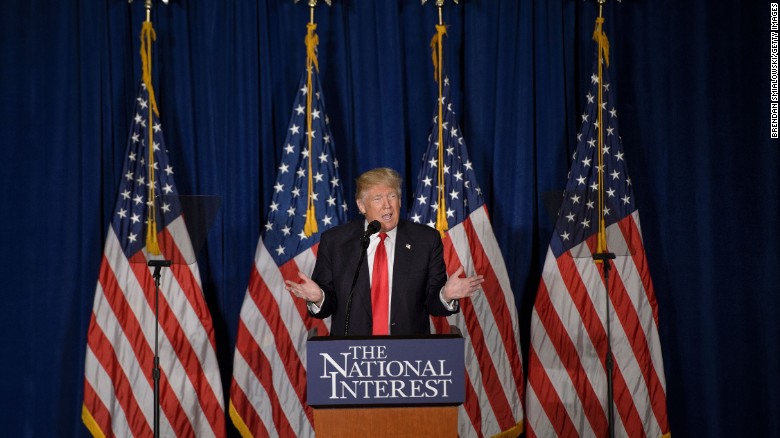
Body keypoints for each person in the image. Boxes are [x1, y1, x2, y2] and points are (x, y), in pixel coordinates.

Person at [285, 167, 484, 336]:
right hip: (351, 357)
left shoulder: (425, 240)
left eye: (392, 196)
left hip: (409, 357)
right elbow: (326, 307)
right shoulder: (335, 241)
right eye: (378, 199)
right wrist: (319, 297)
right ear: (362, 205)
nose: (387, 205)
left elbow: (434, 304)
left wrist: (446, 295)